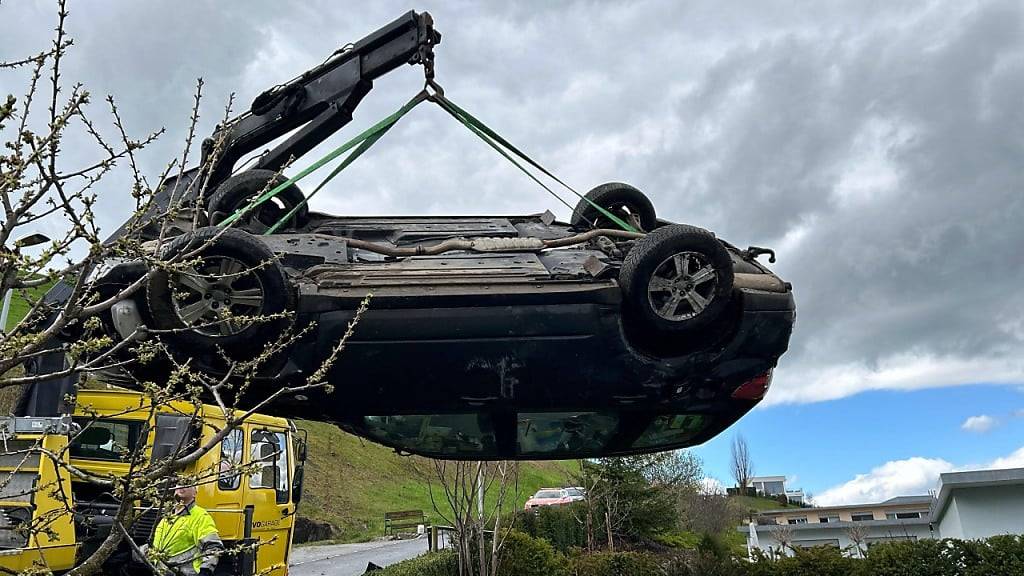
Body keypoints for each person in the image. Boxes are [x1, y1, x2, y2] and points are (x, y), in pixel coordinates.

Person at [146, 481, 224, 576]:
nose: (181, 485)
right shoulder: (167, 517)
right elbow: (154, 547)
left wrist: (205, 570)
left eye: (187, 482)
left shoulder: (201, 516)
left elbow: (213, 546)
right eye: (179, 483)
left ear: (195, 493)